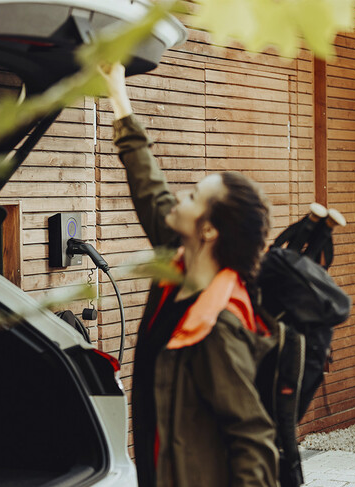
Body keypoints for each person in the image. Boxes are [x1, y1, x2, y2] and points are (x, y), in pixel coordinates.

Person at [100, 63, 280, 487]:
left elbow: (253, 439)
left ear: (209, 230)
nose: (179, 196)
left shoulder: (217, 326)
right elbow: (150, 187)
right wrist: (117, 92)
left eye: (194, 196)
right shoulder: (179, 265)